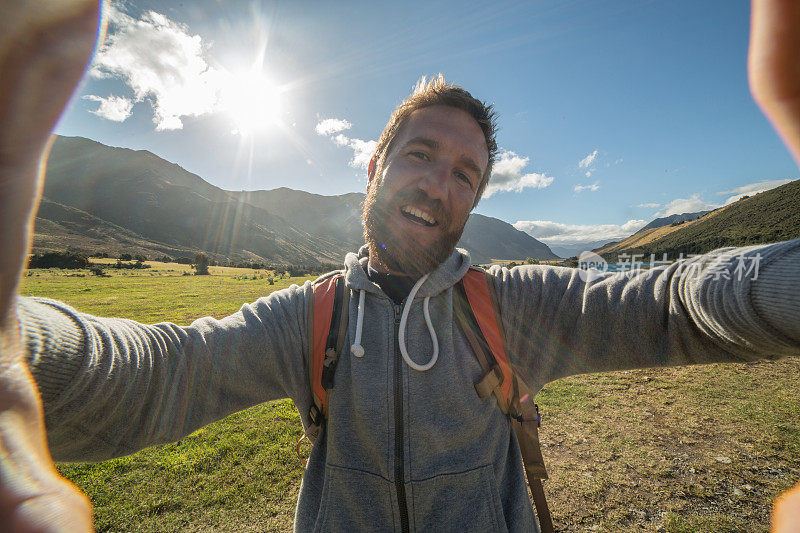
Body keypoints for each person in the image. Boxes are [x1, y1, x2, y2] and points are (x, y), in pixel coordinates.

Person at [0, 1, 798, 532]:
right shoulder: (308, 317)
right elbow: (160, 373)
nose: (439, 185)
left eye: (465, 174)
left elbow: (667, 302)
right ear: (376, 165)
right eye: (421, 155)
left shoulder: (511, 306)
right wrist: (12, 348)